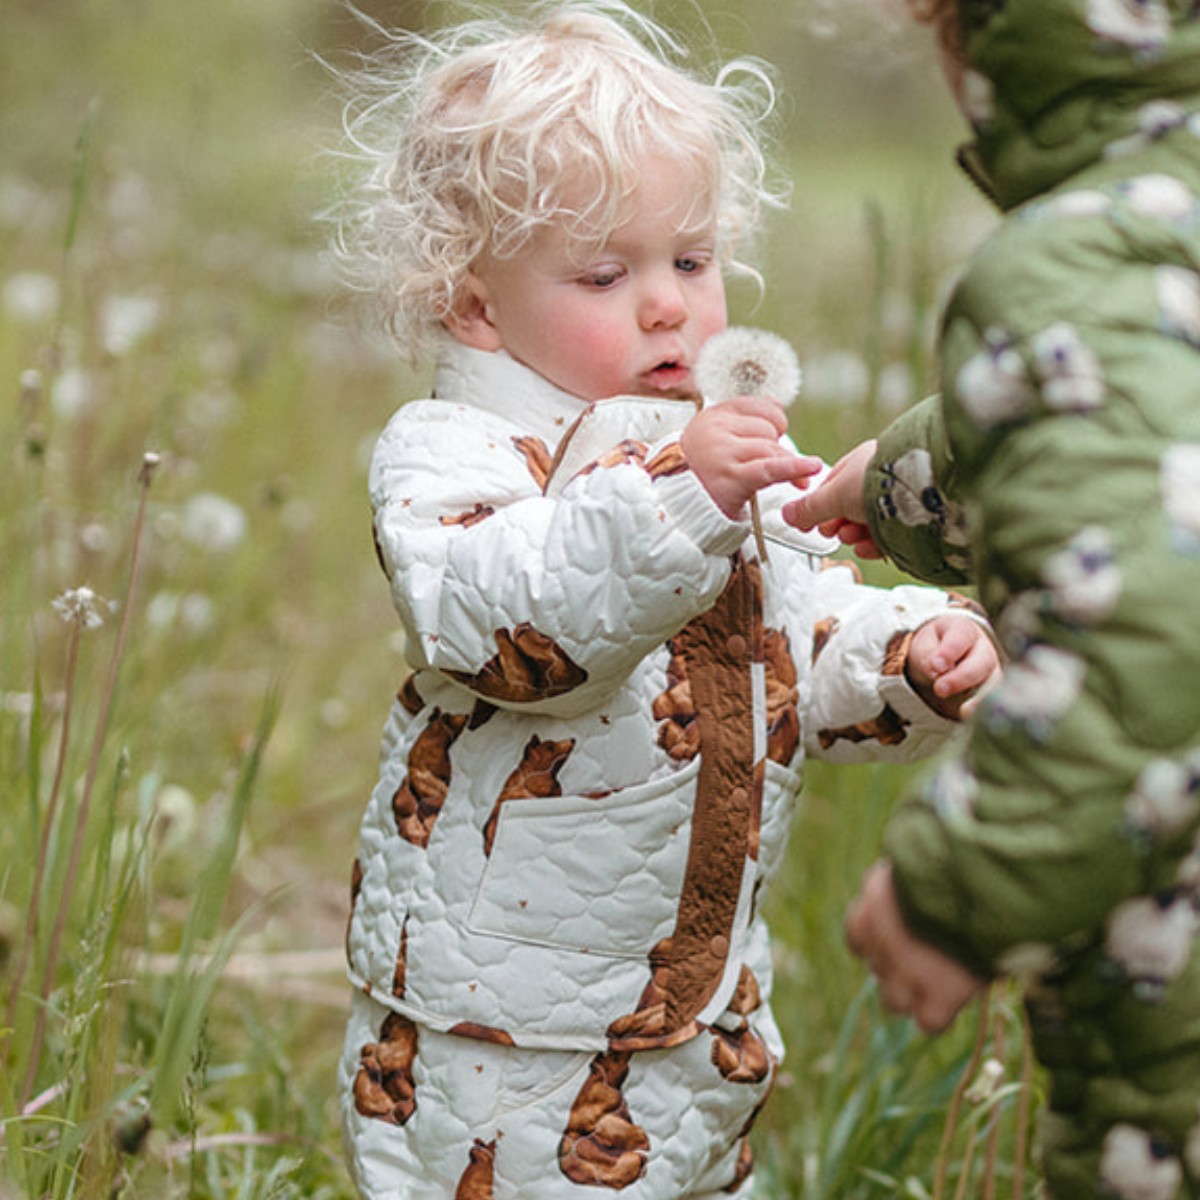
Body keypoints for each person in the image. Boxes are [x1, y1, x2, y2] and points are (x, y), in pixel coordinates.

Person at [330, 4, 1000, 1197]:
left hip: (700, 1022)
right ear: (474, 303)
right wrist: (683, 496)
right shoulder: (452, 455)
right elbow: (509, 631)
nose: (668, 305)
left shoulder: (706, 460)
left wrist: (909, 656)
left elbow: (795, 640)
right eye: (605, 272)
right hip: (505, 1039)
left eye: (691, 260)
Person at [784, 1, 1200, 1197]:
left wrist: (961, 888)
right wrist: (911, 482)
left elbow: (1155, 616)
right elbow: (1147, 416)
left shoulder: (1076, 262)